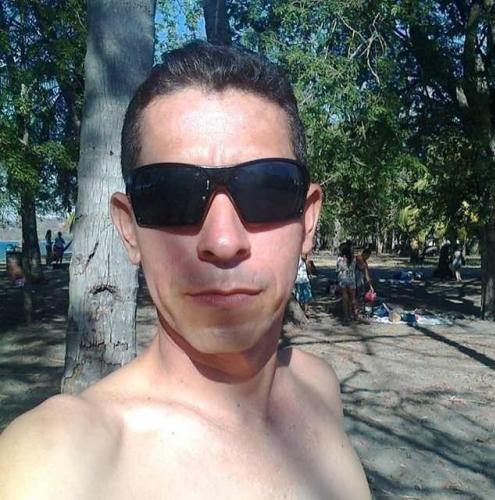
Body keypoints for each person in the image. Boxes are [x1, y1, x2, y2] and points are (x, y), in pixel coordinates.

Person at [0, 42, 370, 499]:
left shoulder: (319, 389)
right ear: (129, 230)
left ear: (308, 221)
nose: (223, 241)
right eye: (172, 196)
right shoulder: (61, 461)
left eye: (267, 189)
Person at [337, 241, 358, 323]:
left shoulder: (340, 259)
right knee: (352, 298)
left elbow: (338, 269)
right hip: (351, 278)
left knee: (345, 298)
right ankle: (353, 314)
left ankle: (346, 316)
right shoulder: (354, 259)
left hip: (343, 278)